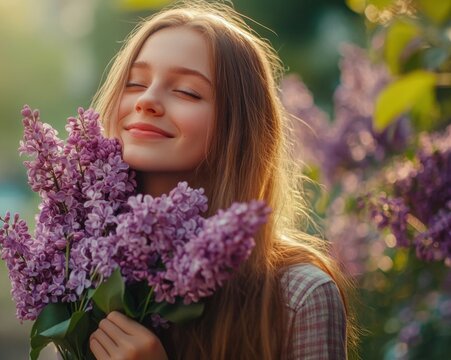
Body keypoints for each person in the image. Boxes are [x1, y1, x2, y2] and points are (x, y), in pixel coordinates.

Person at [87, 1, 356, 359]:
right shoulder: (83, 267)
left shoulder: (298, 295)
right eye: (135, 83)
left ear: (237, 128)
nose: (147, 100)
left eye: (186, 91)